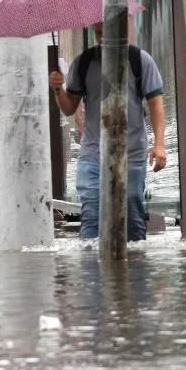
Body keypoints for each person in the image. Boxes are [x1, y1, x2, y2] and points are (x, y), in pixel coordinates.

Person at [49, 21, 166, 241]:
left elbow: (156, 104)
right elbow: (68, 108)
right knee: (91, 216)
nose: (103, 38)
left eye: (108, 32)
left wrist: (159, 144)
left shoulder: (140, 60)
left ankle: (136, 269)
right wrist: (58, 89)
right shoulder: (83, 63)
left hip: (131, 152)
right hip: (93, 153)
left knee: (132, 217)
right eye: (99, 33)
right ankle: (92, 271)